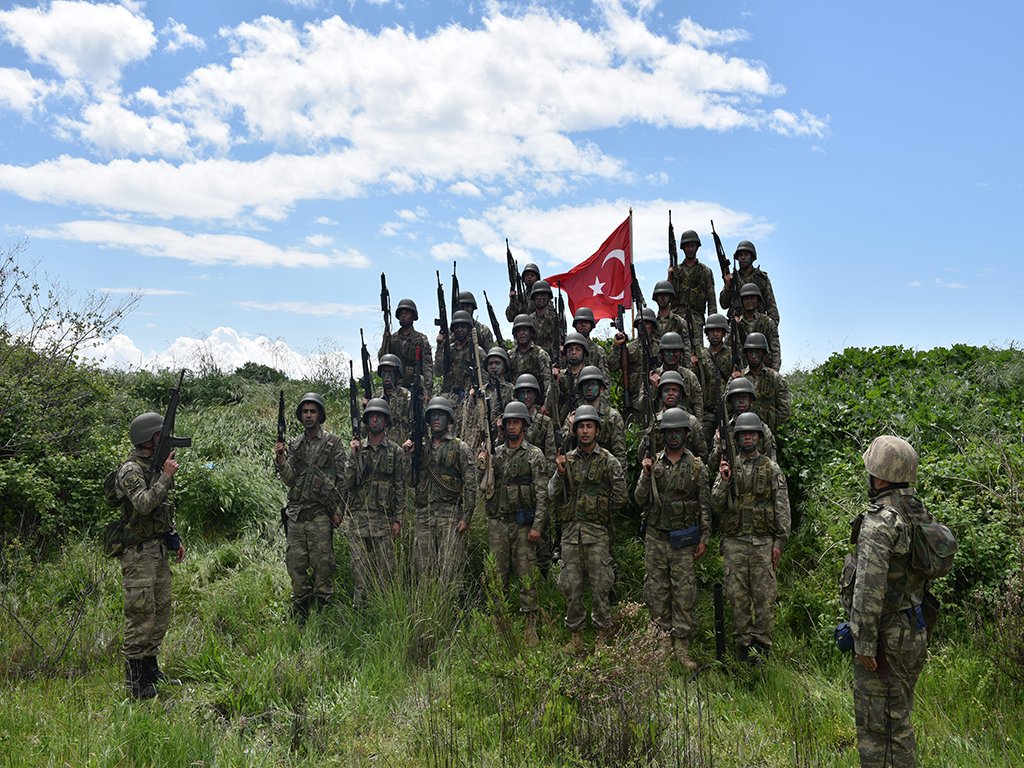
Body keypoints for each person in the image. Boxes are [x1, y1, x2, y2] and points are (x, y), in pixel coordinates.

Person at [841, 436, 933, 767]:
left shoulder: (881, 521)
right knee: (899, 718)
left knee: (878, 730)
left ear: (879, 477)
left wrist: (863, 643)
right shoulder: (918, 512)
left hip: (885, 640)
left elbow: (868, 587)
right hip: (914, 630)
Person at [116, 412, 187, 699]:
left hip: (157, 551)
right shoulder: (131, 470)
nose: (167, 438)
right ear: (148, 438)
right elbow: (144, 504)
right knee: (140, 615)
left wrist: (173, 538)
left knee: (161, 611)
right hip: (138, 554)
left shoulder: (153, 465)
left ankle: (150, 668)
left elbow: (160, 510)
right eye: (161, 434)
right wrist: (166, 478)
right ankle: (135, 682)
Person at [634, 407, 711, 669]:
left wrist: (704, 538)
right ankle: (661, 642)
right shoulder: (653, 463)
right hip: (656, 538)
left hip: (684, 540)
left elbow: (704, 506)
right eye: (670, 432)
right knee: (657, 591)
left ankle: (681, 645)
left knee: (684, 592)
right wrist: (645, 475)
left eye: (678, 431)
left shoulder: (698, 467)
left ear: (686, 434)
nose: (674, 436)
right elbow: (638, 499)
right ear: (663, 434)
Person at [548, 405, 627, 654]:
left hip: (597, 534)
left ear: (597, 430)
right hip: (571, 535)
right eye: (581, 426)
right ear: (575, 430)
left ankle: (603, 634)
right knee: (571, 586)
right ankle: (576, 636)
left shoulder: (608, 461)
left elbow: (621, 496)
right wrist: (559, 474)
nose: (584, 431)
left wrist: (600, 510)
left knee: (601, 585)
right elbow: (552, 494)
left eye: (589, 426)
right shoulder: (566, 460)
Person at [712, 412, 790, 663]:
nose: (747, 437)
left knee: (764, 595)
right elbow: (715, 504)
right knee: (737, 595)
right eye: (743, 434)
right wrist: (724, 481)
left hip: (762, 542)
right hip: (734, 542)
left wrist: (779, 542)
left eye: (751, 433)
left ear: (758, 436)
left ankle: (763, 643)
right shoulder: (728, 467)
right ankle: (744, 643)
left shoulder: (770, 467)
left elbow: (782, 507)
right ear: (736, 438)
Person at [483, 401, 550, 647]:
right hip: (499, 524)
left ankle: (530, 625)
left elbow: (543, 495)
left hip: (523, 526)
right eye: (508, 422)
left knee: (526, 576)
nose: (512, 426)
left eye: (516, 422)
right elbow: (486, 483)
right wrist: (485, 459)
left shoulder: (534, 455)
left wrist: (537, 527)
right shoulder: (496, 453)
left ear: (524, 425)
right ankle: (498, 624)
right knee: (496, 576)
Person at [275, 393, 347, 621]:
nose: (308, 415)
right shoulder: (295, 445)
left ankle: (324, 607)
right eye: (305, 411)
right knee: (295, 563)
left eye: (312, 411)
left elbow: (342, 480)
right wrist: (281, 460)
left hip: (319, 514)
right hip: (297, 515)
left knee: (322, 563)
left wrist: (338, 511)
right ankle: (301, 607)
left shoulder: (333, 443)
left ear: (320, 415)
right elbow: (290, 480)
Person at [344, 398, 407, 607]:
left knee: (386, 570)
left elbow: (400, 486)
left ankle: (383, 609)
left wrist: (398, 519)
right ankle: (359, 608)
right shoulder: (357, 448)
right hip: (359, 517)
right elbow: (347, 482)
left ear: (386, 421)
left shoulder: (395, 451)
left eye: (379, 416)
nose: (375, 420)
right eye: (371, 416)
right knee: (359, 569)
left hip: (384, 518)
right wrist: (354, 456)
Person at [412, 396, 476, 592]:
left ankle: (453, 611)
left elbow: (471, 484)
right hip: (424, 515)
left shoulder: (460, 447)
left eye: (441, 415)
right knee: (423, 568)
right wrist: (408, 456)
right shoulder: (421, 449)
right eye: (433, 416)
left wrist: (466, 517)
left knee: (451, 568)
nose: (436, 419)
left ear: (449, 419)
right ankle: (427, 610)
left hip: (449, 515)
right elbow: (410, 481)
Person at [667, 228, 718, 341]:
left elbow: (711, 299)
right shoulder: (676, 270)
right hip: (676, 316)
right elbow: (667, 295)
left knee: (697, 352)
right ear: (683, 248)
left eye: (692, 246)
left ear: (697, 247)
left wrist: (713, 323)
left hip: (696, 317)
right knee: (674, 348)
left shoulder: (705, 271)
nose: (690, 249)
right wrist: (670, 277)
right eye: (687, 246)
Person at [379, 298, 433, 399]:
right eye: (401, 314)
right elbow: (382, 358)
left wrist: (427, 389)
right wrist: (385, 341)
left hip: (415, 385)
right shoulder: (392, 339)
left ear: (413, 316)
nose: (403, 316)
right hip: (396, 387)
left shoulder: (421, 339)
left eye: (407, 313)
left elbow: (427, 366)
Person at [736, 332, 791, 431]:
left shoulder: (775, 378)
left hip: (768, 431)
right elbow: (729, 407)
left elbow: (785, 411)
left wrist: (771, 427)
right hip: (743, 433)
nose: (753, 356)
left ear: (764, 354)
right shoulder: (739, 378)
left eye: (758, 352)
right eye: (750, 352)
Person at [719, 240, 780, 325]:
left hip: (757, 324)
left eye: (746, 255)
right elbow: (723, 304)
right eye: (740, 255)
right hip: (737, 324)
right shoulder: (732, 278)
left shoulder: (762, 278)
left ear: (752, 257)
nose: (742, 258)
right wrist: (727, 287)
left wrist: (771, 327)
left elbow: (771, 306)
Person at [736, 283, 782, 371]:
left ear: (758, 300)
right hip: (743, 372)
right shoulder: (737, 322)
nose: (749, 301)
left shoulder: (767, 322)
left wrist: (774, 372)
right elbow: (727, 347)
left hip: (764, 371)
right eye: (746, 298)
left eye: (752, 298)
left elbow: (775, 349)